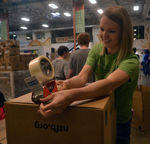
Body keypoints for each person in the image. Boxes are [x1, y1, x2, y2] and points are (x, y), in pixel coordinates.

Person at [38, 6, 139, 144]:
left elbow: (108, 84)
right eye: (102, 29)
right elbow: (81, 77)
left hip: (119, 120)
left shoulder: (131, 60)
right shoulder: (97, 50)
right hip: (99, 113)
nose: (104, 35)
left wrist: (71, 95)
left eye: (112, 31)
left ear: (123, 32)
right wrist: (66, 84)